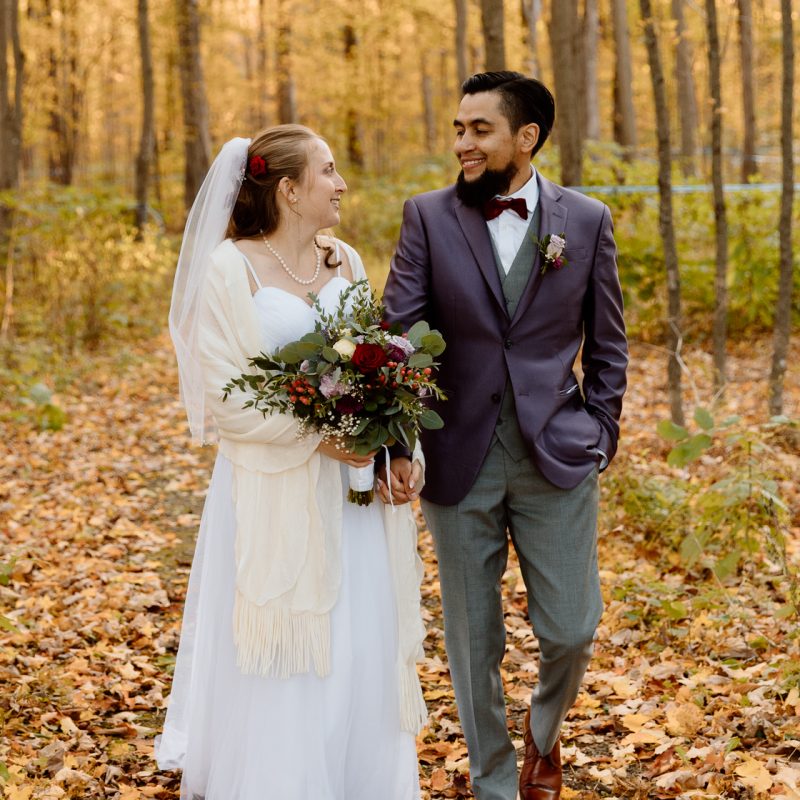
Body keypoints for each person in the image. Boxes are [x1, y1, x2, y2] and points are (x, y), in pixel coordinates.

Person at [156, 125, 427, 800]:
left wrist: (396, 449)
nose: (340, 184)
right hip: (272, 494)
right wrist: (319, 440)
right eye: (327, 171)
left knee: (358, 650)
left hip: (353, 496)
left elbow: (379, 369)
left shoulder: (348, 260)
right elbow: (229, 401)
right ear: (288, 189)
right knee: (291, 663)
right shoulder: (230, 269)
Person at [380, 72, 628, 800]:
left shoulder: (585, 220)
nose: (463, 142)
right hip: (456, 458)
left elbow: (608, 344)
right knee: (472, 640)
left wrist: (601, 433)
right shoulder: (426, 216)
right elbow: (400, 337)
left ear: (526, 137)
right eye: (458, 128)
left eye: (479, 129)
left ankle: (542, 735)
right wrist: (400, 442)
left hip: (558, 453)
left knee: (574, 628)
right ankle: (493, 780)